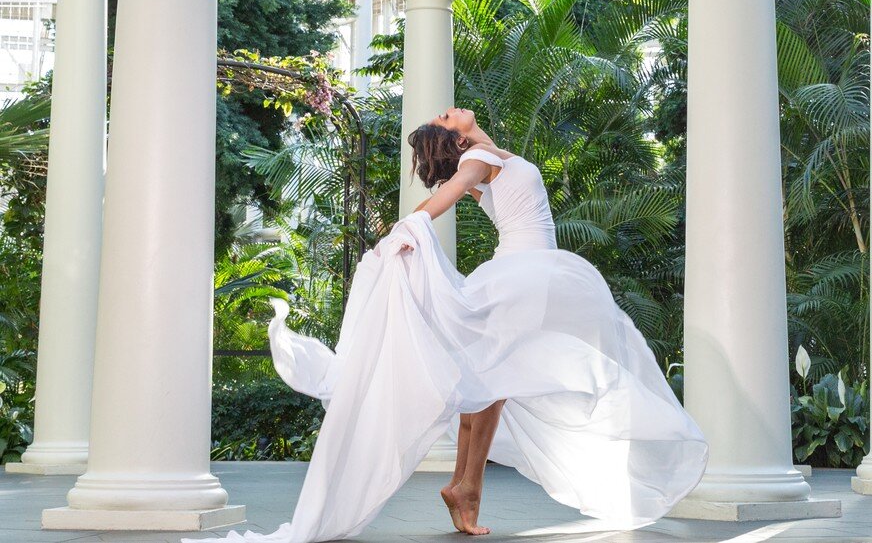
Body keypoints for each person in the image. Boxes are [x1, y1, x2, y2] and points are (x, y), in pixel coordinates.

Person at [188, 108, 707, 543]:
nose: (449, 110)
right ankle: (467, 490)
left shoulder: (491, 156)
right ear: (459, 138)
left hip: (529, 273)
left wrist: (462, 163)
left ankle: (465, 487)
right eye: (446, 117)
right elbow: (448, 194)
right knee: (490, 382)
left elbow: (481, 183)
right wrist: (408, 229)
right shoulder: (480, 159)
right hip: (525, 273)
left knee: (490, 384)